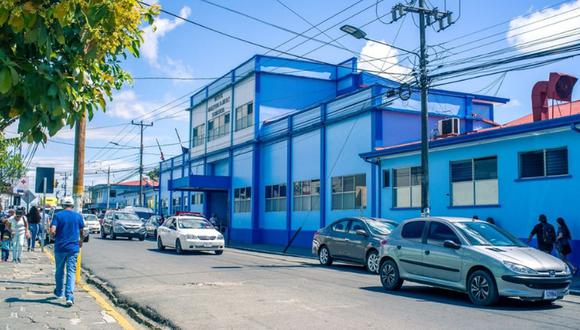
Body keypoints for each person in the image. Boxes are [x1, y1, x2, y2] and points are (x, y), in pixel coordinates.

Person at [50, 197, 85, 307]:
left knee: (59, 270)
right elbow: (82, 231)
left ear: (63, 205)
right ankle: (69, 296)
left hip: (60, 248)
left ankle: (59, 292)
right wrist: (81, 241)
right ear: (72, 205)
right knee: (71, 271)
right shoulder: (78, 216)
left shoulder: (58, 216)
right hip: (73, 248)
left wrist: (53, 236)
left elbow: (52, 231)